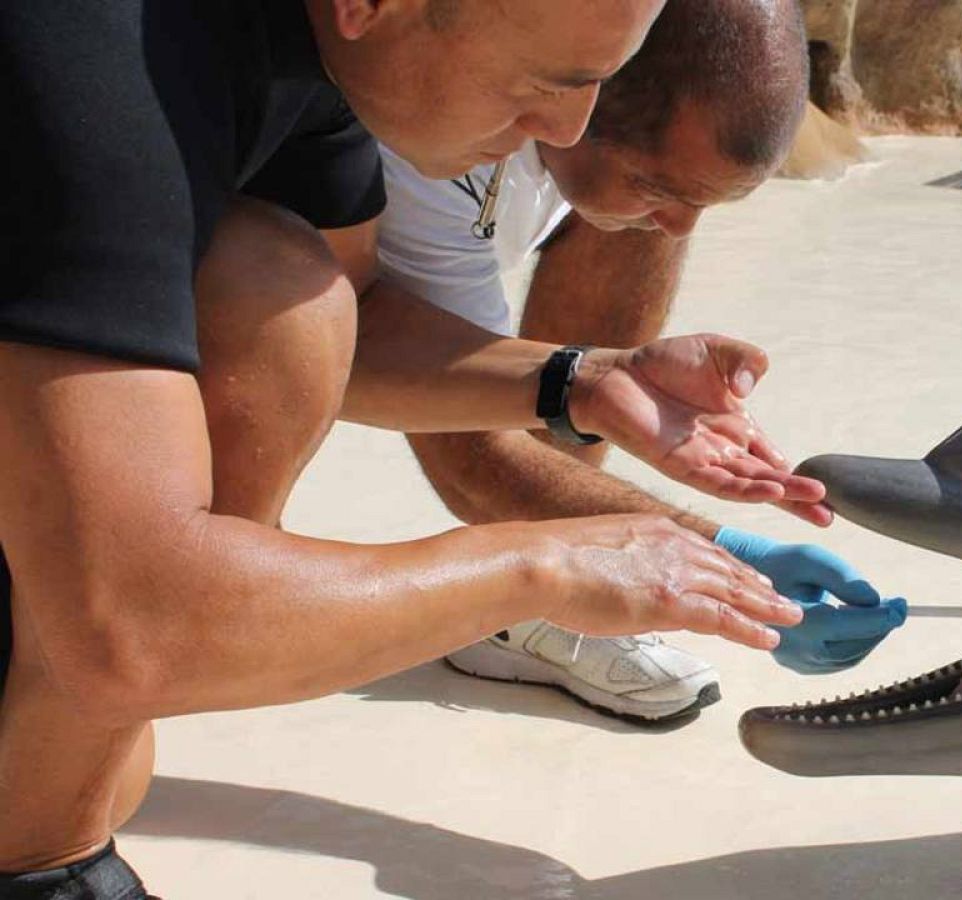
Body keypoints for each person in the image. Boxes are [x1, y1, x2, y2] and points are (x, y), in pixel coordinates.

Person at [0, 0, 822, 894]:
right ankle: (43, 866)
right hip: (121, 615)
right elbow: (135, 624)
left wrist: (582, 382)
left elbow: (362, 320)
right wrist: (544, 567)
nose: (567, 129)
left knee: (287, 290)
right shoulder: (93, 76)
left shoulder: (323, 63)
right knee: (112, 693)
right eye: (553, 85)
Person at [376, 0, 907, 722]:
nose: (682, 228)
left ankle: (533, 606)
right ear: (581, 93)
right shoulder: (428, 150)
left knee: (628, 209)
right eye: (665, 190)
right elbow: (461, 442)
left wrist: (598, 382)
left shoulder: (616, 154)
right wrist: (720, 558)